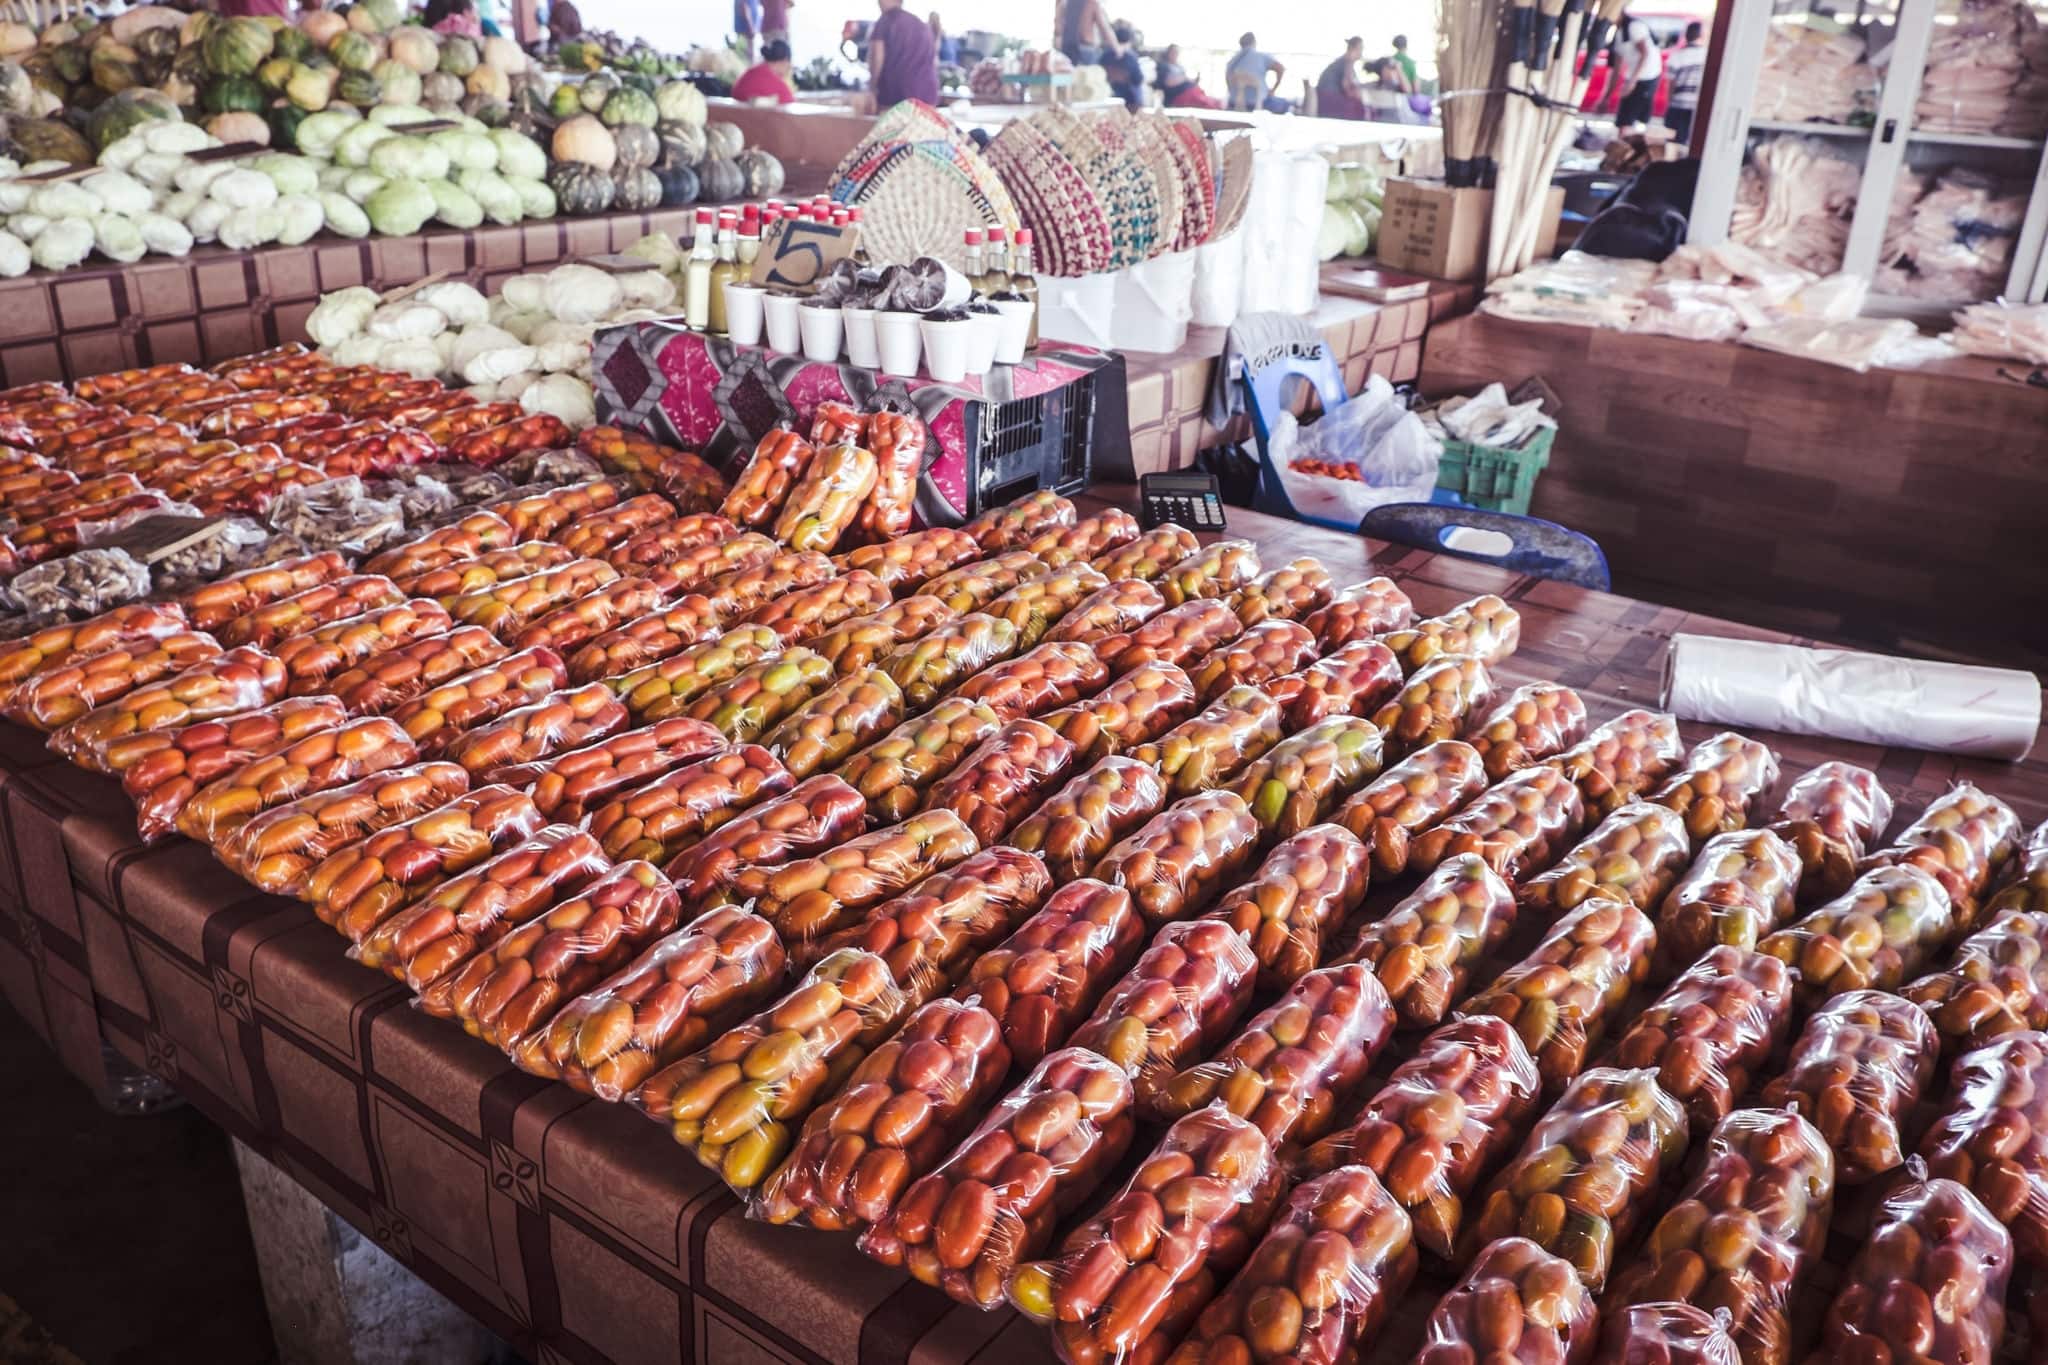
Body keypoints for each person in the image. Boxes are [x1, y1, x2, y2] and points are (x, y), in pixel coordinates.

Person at [866, 0, 939, 108]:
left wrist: (872, 88)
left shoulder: (886, 20)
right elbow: (933, 60)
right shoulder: (920, 24)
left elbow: (877, 56)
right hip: (927, 97)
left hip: (897, 97)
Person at [1611, 9, 1661, 127]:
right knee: (1623, 121)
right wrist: (1606, 96)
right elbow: (1616, 67)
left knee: (1630, 123)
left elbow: (1645, 53)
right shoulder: (1619, 33)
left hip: (1646, 77)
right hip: (1633, 77)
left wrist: (1632, 82)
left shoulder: (1634, 26)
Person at [1664, 20, 1705, 141]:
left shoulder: (1677, 55)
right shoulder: (1706, 54)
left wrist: (1670, 101)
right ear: (1702, 35)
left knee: (1675, 139)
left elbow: (1671, 83)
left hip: (1678, 103)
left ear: (1686, 35)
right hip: (1696, 105)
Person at [1225, 32, 1285, 113]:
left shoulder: (1233, 60)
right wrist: (1274, 89)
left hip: (1233, 104)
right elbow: (1281, 68)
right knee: (1287, 104)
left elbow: (1227, 79)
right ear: (1254, 42)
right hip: (1259, 104)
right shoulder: (1261, 56)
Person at [1154, 43, 1221, 108]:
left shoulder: (1179, 66)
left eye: (1177, 52)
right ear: (1168, 53)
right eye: (1173, 52)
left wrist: (1194, 80)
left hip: (1192, 91)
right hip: (1180, 96)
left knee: (1217, 102)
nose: (1175, 54)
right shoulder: (1163, 66)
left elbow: (1186, 79)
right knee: (1208, 104)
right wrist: (1184, 78)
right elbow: (1167, 82)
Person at [733, 37, 798, 102]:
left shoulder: (748, 75)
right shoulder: (779, 88)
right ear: (785, 61)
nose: (789, 68)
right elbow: (790, 103)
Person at [1362, 58, 1426, 124]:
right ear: (1384, 69)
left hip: (1382, 121)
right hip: (1401, 121)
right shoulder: (1394, 86)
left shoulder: (1369, 86)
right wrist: (1399, 70)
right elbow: (1407, 90)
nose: (1394, 72)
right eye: (1392, 69)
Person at [1057, 0, 1120, 67]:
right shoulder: (1092, 3)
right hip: (1085, 49)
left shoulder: (1064, 3)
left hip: (1067, 47)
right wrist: (1117, 48)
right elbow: (1104, 28)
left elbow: (1059, 26)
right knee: (1089, 75)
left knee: (1069, 76)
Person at [1316, 36, 1366, 119]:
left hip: (1325, 99)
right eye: (1360, 49)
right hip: (1329, 100)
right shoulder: (1347, 62)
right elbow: (1348, 89)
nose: (1361, 53)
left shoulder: (1344, 62)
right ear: (1353, 49)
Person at [1103, 21, 1146, 109]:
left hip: (1109, 97)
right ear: (1129, 40)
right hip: (1130, 101)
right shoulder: (1130, 57)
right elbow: (1138, 79)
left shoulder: (1104, 55)